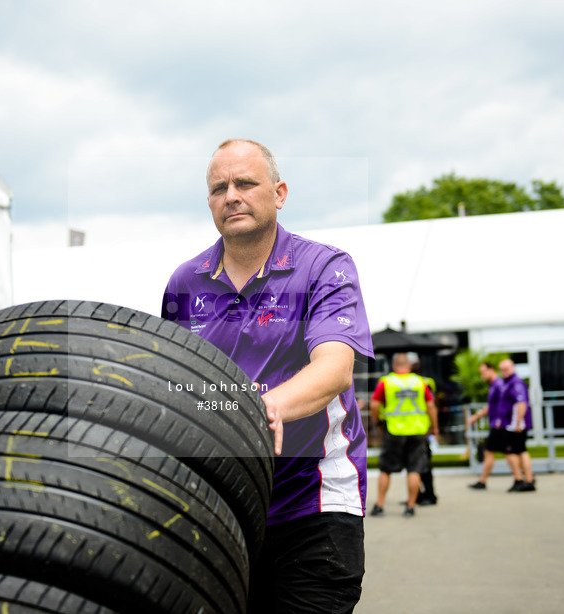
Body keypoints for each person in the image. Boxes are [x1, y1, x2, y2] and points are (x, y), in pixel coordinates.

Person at [161, 139, 373, 613]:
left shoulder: (325, 267)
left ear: (278, 193)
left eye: (245, 183)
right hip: (222, 509)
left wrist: (263, 409)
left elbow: (335, 369)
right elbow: (179, 385)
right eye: (219, 188)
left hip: (313, 504)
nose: (231, 195)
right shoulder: (184, 282)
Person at [368, 352, 438, 517]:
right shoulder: (420, 382)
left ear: (394, 366)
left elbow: (374, 405)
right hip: (417, 430)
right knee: (414, 469)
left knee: (386, 469)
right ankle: (410, 507)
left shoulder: (386, 382)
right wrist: (435, 427)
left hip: (394, 431)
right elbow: (431, 406)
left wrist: (378, 422)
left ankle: (379, 505)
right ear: (409, 366)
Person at [497, 358, 536, 492]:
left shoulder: (516, 383)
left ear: (513, 368)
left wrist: (518, 422)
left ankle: (522, 479)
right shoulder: (507, 383)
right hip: (510, 424)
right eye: (502, 369)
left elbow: (521, 403)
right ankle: (526, 479)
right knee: (519, 450)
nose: (504, 372)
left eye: (506, 369)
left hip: (515, 425)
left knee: (514, 451)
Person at [466, 361, 504, 489]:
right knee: (510, 452)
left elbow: (504, 405)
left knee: (511, 452)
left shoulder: (498, 385)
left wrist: (499, 420)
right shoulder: (494, 385)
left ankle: (523, 478)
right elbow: (491, 406)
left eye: (483, 372)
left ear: (491, 369)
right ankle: (524, 478)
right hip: (497, 423)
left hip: (500, 424)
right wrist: (477, 416)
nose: (482, 375)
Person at [411, 356, 438, 505]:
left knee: (424, 465)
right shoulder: (426, 383)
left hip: (422, 428)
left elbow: (431, 406)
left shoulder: (421, 384)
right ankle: (418, 494)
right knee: (419, 464)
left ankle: (429, 494)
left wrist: (433, 427)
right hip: (422, 428)